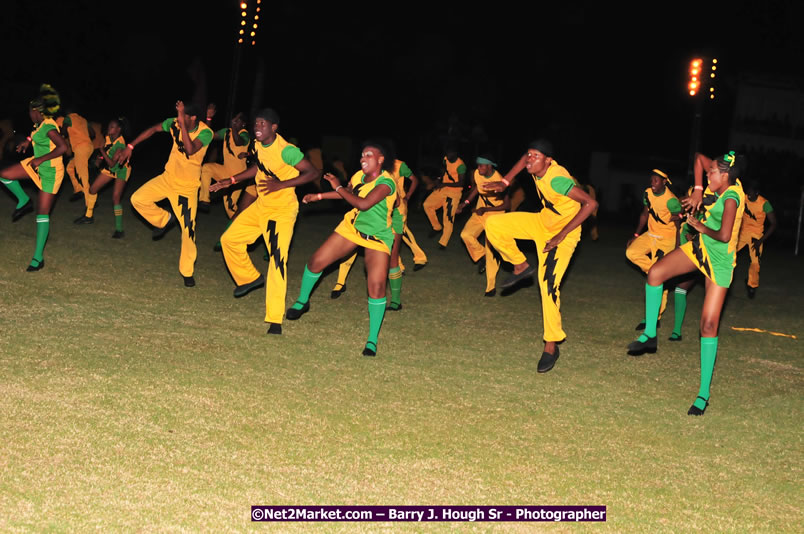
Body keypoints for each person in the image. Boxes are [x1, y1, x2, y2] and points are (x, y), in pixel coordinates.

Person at [627, 151, 746, 416]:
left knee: (708, 325)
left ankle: (703, 394)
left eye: (713, 172)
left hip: (720, 262)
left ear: (725, 176)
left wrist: (698, 226)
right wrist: (698, 189)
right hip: (700, 249)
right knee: (655, 273)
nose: (708, 172)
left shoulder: (732, 198)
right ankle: (649, 335)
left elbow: (725, 236)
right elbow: (699, 157)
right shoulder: (720, 185)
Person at [483, 140, 598, 373]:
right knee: (493, 224)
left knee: (548, 286)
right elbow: (522, 161)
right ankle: (521, 266)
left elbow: (590, 203)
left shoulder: (557, 178)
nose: (529, 159)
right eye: (529, 154)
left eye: (535, 156)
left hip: (563, 234)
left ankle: (551, 345)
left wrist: (562, 234)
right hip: (542, 221)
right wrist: (505, 181)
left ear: (548, 160)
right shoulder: (536, 165)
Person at [209, 108, 320, 335]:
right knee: (229, 239)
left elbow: (313, 173)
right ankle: (250, 278)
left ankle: (275, 319)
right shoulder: (258, 145)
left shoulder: (287, 151)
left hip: (281, 210)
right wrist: (230, 180)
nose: (257, 127)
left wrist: (280, 185)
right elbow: (257, 168)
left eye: (262, 124)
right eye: (256, 123)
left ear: (274, 128)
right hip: (261, 206)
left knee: (277, 261)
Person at [286, 141, 397, 356]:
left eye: (369, 155)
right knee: (316, 262)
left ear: (381, 159)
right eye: (362, 155)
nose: (363, 158)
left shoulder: (387, 183)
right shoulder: (358, 176)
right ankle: (302, 302)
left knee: (376, 286)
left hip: (377, 238)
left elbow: (364, 204)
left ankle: (372, 340)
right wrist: (320, 196)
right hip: (352, 228)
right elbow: (348, 194)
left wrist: (336, 186)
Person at [114, 101, 213, 287]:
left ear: (192, 118)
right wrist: (131, 146)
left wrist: (182, 124)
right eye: (178, 116)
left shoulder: (205, 132)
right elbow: (153, 129)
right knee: (137, 199)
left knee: (188, 231)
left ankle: (187, 272)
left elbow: (191, 150)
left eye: (182, 116)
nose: (177, 119)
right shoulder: (175, 123)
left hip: (187, 188)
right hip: (167, 178)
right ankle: (164, 220)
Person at [330, 156, 428, 301]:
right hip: (367, 213)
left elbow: (413, 180)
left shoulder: (399, 166)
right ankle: (340, 283)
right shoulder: (365, 170)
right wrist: (321, 195)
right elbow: (350, 190)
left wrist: (407, 196)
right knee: (351, 245)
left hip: (394, 213)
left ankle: (396, 300)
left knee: (393, 257)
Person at [0, 84, 68, 270]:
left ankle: (38, 258)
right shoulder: (40, 125)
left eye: (30, 111)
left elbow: (63, 148)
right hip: (36, 164)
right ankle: (23, 200)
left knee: (42, 213)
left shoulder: (49, 127)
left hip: (50, 173)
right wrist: (26, 142)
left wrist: (41, 159)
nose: (29, 114)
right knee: (4, 175)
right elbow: (35, 134)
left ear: (37, 111)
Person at [625, 169, 682, 330]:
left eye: (656, 181)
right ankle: (655, 272)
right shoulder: (647, 193)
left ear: (664, 182)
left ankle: (654, 317)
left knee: (659, 284)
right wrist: (636, 234)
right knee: (631, 252)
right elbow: (644, 214)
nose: (652, 183)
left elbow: (678, 225)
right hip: (650, 235)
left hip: (666, 240)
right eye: (651, 180)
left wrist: (677, 247)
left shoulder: (671, 200)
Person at [457, 155, 509, 297]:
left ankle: (490, 287)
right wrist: (465, 203)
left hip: (495, 217)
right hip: (480, 213)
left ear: (490, 166)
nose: (478, 168)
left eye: (482, 166)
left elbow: (507, 204)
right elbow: (476, 190)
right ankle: (482, 256)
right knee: (465, 235)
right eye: (478, 165)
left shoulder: (499, 180)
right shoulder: (476, 173)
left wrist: (486, 209)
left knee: (491, 249)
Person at [199, 111, 250, 216]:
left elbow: (238, 142)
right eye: (234, 118)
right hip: (224, 171)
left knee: (230, 208)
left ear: (243, 124)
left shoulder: (244, 134)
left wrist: (234, 127)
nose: (235, 121)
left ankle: (241, 227)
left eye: (238, 120)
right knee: (206, 168)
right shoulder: (227, 132)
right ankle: (204, 200)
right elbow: (210, 135)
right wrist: (209, 118)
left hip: (237, 177)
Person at [89, 117, 132, 238]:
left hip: (122, 170)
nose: (109, 128)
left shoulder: (121, 145)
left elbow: (112, 163)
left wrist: (101, 152)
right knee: (92, 189)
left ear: (119, 129)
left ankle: (119, 230)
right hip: (111, 169)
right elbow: (107, 152)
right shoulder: (108, 138)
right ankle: (88, 216)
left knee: (115, 198)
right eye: (109, 126)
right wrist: (99, 158)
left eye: (112, 127)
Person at [737, 180, 776, 298]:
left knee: (755, 262)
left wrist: (761, 240)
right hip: (742, 233)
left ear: (757, 193)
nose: (748, 196)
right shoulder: (743, 198)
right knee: (729, 252)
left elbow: (774, 224)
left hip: (756, 236)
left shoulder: (764, 203)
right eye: (747, 193)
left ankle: (752, 286)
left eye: (751, 193)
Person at [422, 144, 466, 248]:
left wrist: (445, 184)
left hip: (454, 193)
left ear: (455, 153)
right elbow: (443, 170)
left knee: (448, 218)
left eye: (450, 153)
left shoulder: (461, 166)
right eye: (447, 153)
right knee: (427, 205)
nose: (448, 155)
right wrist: (438, 179)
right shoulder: (445, 159)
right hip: (443, 189)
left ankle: (443, 242)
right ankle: (436, 227)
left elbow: (461, 183)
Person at [57, 111, 97, 220]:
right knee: (70, 167)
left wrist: (60, 133)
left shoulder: (68, 118)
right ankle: (78, 189)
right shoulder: (83, 119)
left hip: (80, 148)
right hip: (89, 147)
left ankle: (89, 209)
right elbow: (93, 134)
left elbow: (64, 131)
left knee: (83, 178)